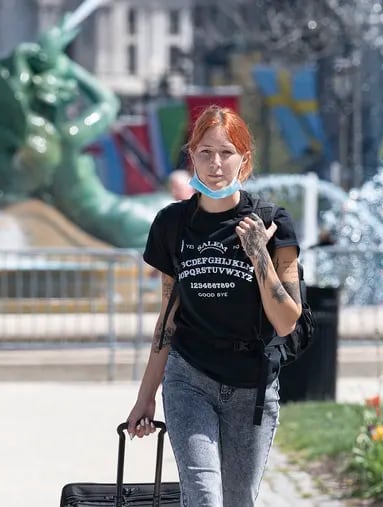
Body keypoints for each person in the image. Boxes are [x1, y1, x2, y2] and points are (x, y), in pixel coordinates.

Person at [126, 105, 302, 506]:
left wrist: (259, 253)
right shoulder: (172, 224)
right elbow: (168, 318)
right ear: (192, 156)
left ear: (245, 159)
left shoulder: (273, 223)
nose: (216, 163)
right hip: (190, 379)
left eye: (226, 152)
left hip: (251, 384)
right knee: (204, 496)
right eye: (205, 152)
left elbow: (287, 321)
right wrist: (145, 396)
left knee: (238, 501)